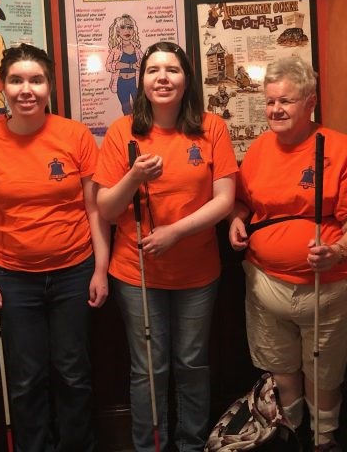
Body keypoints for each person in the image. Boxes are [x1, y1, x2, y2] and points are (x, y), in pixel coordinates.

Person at [0, 43, 110, 452]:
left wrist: (100, 269)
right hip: (13, 277)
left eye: (36, 80)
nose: (27, 89)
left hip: (74, 271)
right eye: (17, 80)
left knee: (73, 372)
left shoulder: (74, 135)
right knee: (25, 378)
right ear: (2, 87)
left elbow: (94, 209)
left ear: (49, 87)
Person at [94, 41, 237, 452]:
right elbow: (105, 207)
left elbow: (224, 200)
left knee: (192, 365)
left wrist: (175, 231)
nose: (162, 78)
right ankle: (150, 445)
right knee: (148, 370)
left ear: (186, 79)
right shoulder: (124, 131)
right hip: (136, 273)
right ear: (141, 81)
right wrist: (134, 178)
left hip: (197, 273)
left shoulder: (212, 128)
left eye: (172, 70)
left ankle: (192, 444)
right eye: (153, 70)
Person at [228, 56, 347, 451]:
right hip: (265, 287)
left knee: (324, 376)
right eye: (270, 101)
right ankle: (288, 436)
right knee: (282, 371)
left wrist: (338, 250)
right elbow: (243, 202)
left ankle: (323, 441)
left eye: (286, 101)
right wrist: (236, 220)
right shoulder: (257, 151)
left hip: (329, 288)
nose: (276, 109)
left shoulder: (342, 149)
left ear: (310, 102)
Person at [106, 14, 143, 115]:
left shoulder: (138, 50)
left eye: (130, 27)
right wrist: (130, 66)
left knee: (139, 109)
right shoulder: (116, 50)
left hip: (135, 83)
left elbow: (144, 65)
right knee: (126, 109)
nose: (127, 31)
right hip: (121, 83)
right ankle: (128, 129)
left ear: (133, 31)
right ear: (117, 31)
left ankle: (139, 128)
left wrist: (141, 65)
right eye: (123, 27)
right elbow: (108, 66)